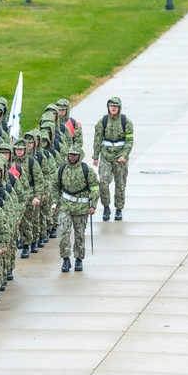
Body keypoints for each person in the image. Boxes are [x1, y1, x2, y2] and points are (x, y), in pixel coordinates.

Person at [53, 145, 98, 273]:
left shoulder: (87, 170)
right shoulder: (62, 169)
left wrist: (93, 205)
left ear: (80, 155)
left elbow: (95, 188)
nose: (72, 157)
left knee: (79, 235)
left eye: (75, 154)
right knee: (63, 234)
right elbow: (54, 185)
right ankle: (66, 259)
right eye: (70, 154)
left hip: (81, 208)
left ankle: (79, 259)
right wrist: (55, 202)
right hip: (65, 206)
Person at [92, 96, 134, 221]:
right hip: (106, 156)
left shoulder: (126, 122)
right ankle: (106, 207)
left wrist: (124, 155)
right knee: (103, 182)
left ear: (119, 107)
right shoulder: (103, 121)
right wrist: (95, 156)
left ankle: (119, 209)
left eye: (115, 106)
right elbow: (97, 139)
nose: (113, 108)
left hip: (120, 157)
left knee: (120, 184)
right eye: (111, 106)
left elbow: (129, 141)